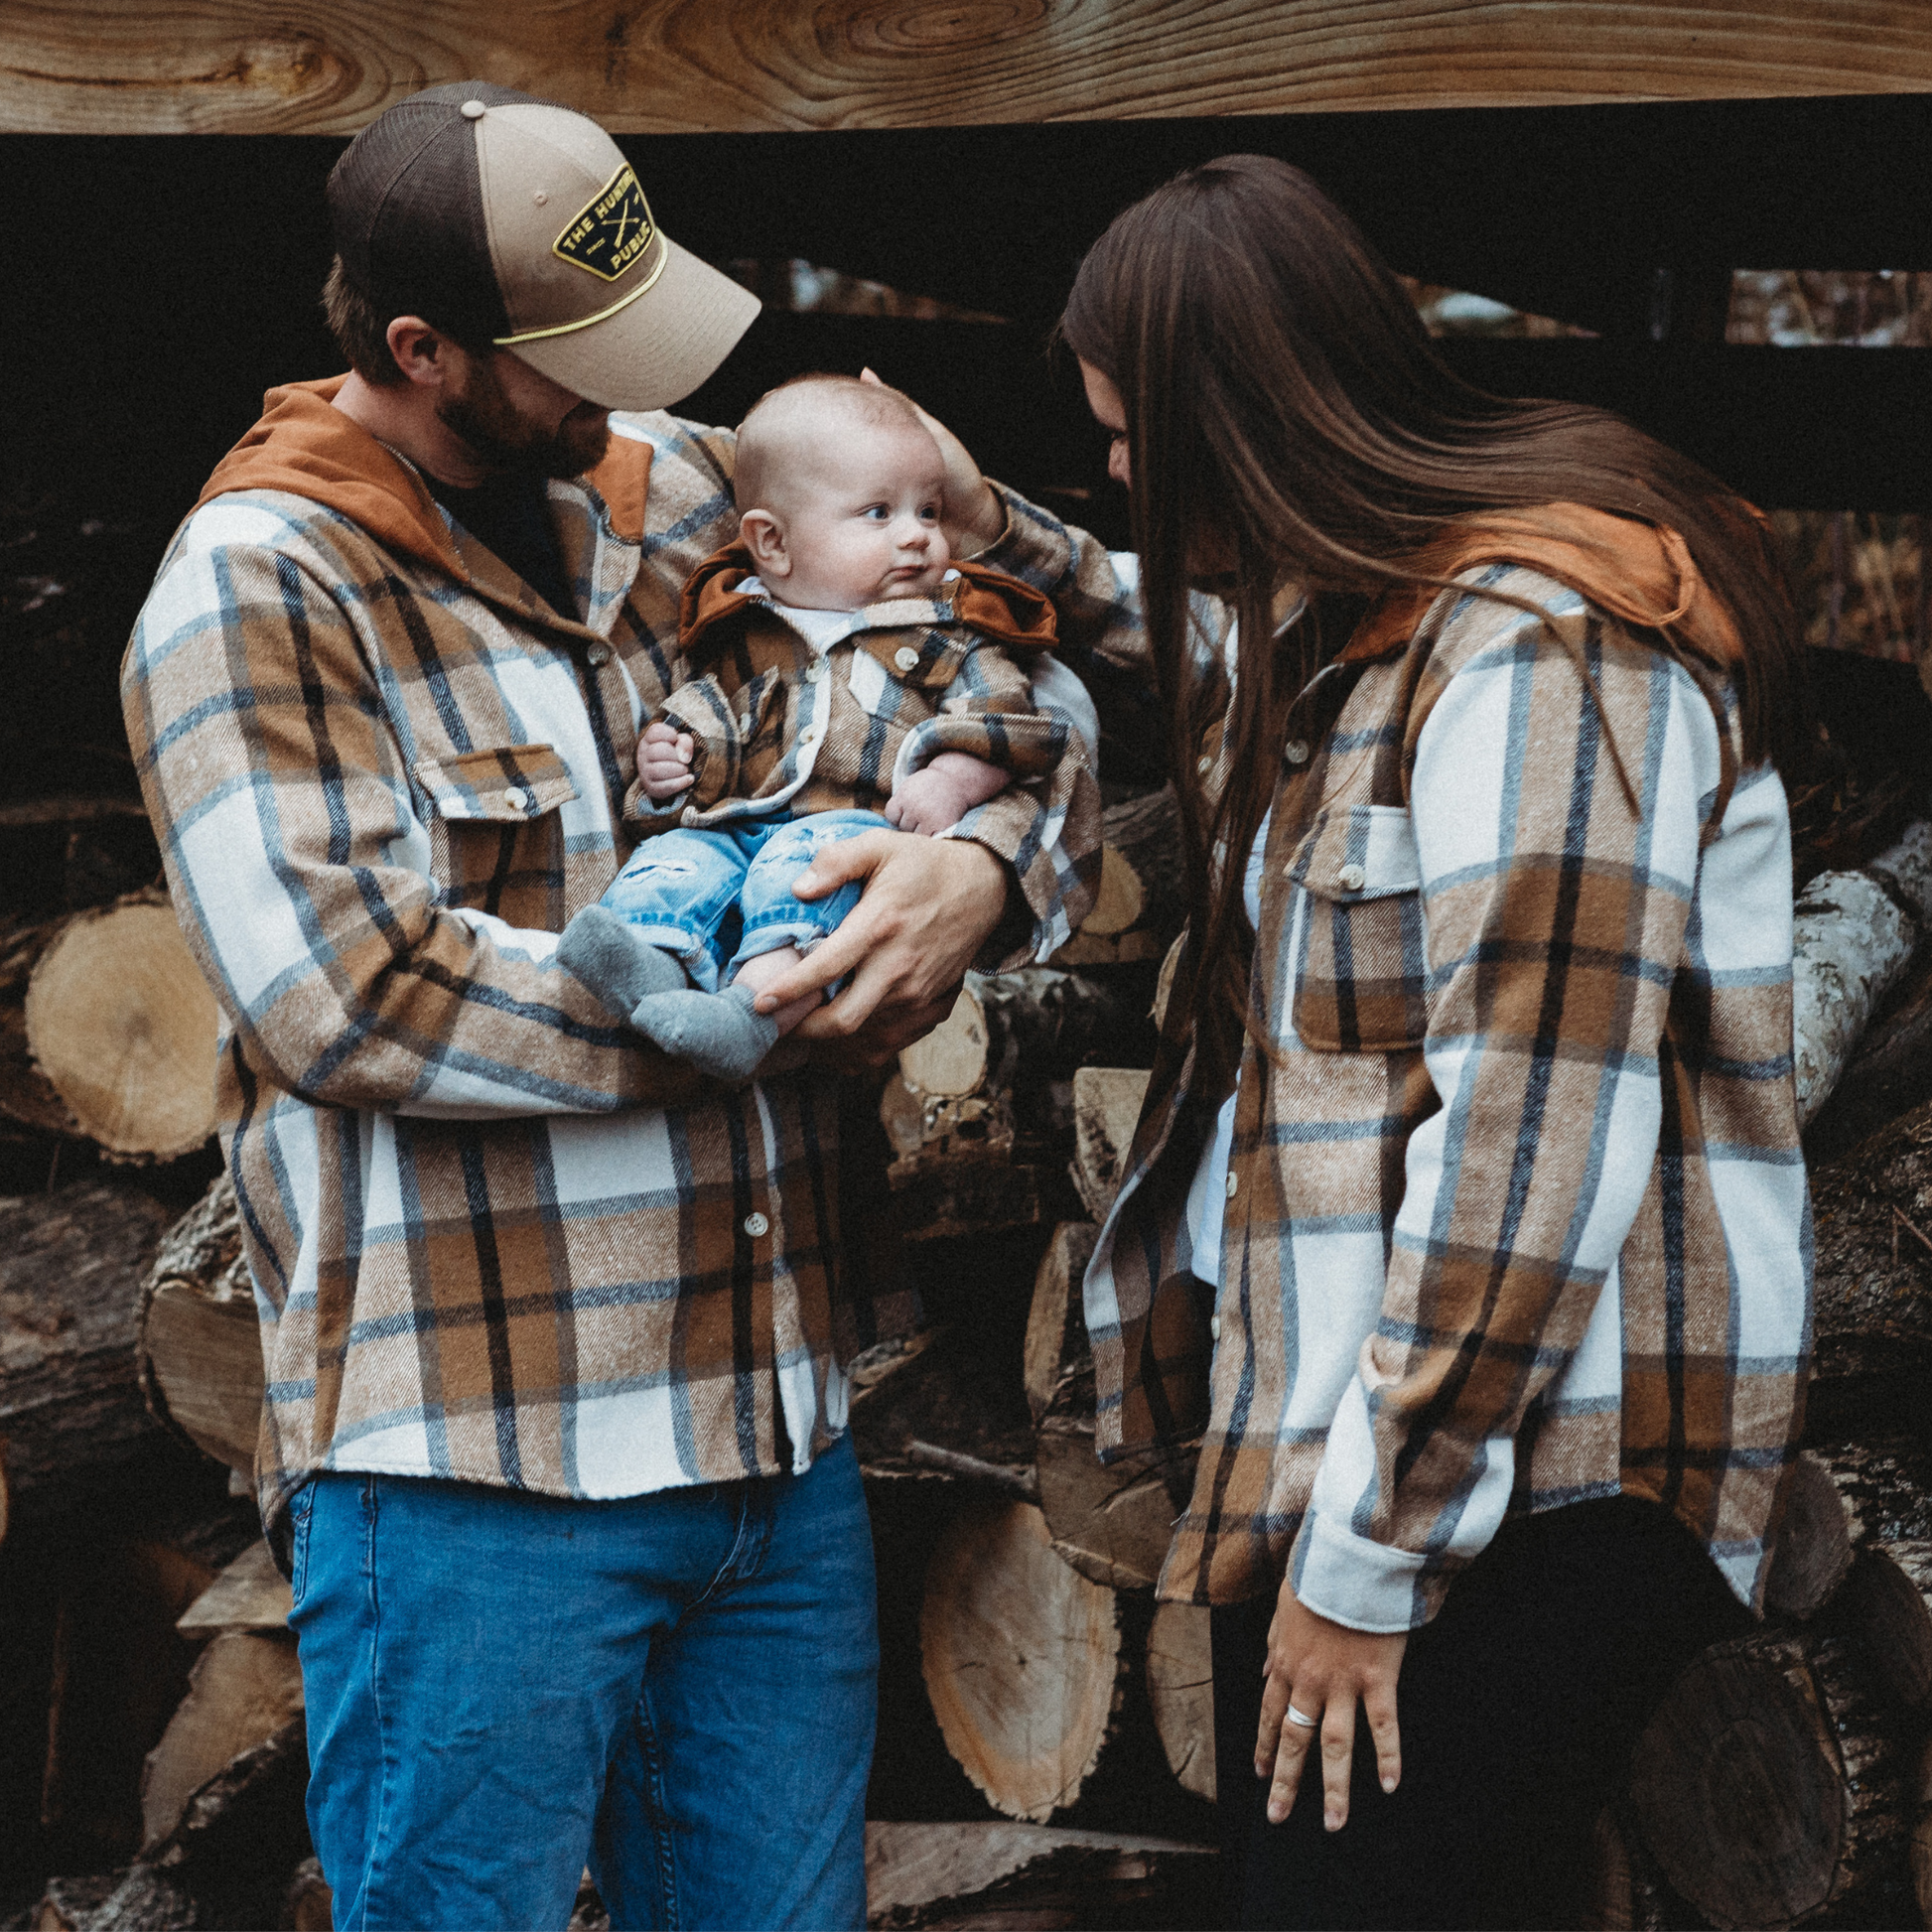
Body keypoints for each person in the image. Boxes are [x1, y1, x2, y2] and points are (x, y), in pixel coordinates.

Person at [121, 81, 1131, 1931]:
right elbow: (350, 997)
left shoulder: (668, 485)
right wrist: (772, 1003)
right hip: (476, 1473)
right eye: (573, 356)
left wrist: (983, 874)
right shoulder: (254, 589)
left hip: (769, 1437)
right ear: (423, 348)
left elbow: (1023, 649)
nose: (626, 396)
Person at [1062, 155, 1811, 1930]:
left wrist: (1372, 1553)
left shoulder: (1544, 658)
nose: (1106, 480)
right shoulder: (1377, 637)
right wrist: (949, 518)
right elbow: (1166, 621)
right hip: (1405, 1465)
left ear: (1232, 437)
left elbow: (1529, 1142)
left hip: (1525, 1493)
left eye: (1121, 442)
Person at [594, 372, 1097, 1080]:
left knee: (801, 873)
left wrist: (955, 781)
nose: (918, 537)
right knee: (679, 862)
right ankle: (644, 956)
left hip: (856, 831)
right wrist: (671, 755)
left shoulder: (948, 633)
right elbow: (709, 708)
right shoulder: (742, 629)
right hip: (735, 820)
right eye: (878, 514)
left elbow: (1013, 726)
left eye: (929, 511)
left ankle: (753, 1010)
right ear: (771, 544)